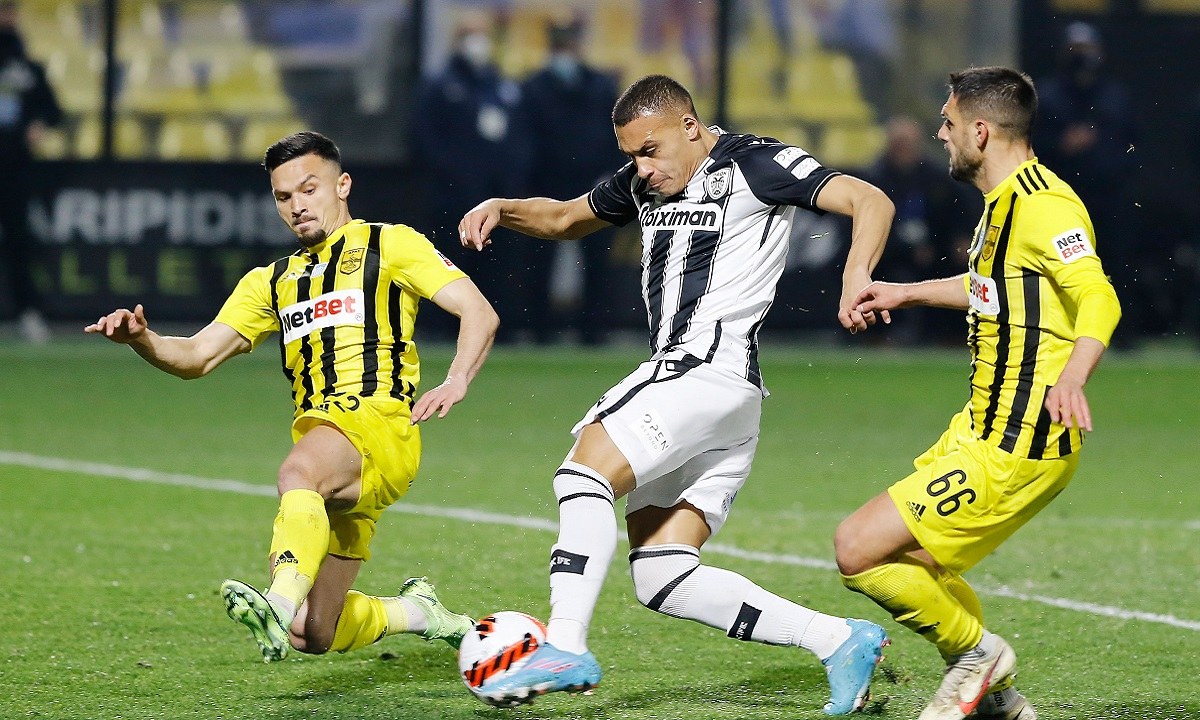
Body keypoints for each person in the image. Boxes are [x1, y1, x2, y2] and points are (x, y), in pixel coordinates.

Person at [459, 74, 895, 713]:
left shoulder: (756, 163)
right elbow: (565, 218)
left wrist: (856, 276)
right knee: (661, 572)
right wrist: (504, 207)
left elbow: (869, 199)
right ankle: (838, 640)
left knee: (583, 474)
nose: (642, 167)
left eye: (650, 150)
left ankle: (566, 645)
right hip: (722, 403)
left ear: (690, 127)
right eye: (631, 154)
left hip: (704, 370)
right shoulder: (646, 181)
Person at [85, 131, 500, 663]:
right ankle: (419, 614)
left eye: (309, 189)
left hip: (380, 423)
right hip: (336, 444)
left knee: (297, 473)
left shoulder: (389, 244)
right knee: (316, 632)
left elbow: (478, 311)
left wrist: (457, 378)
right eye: (283, 196)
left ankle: (277, 605)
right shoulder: (271, 281)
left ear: (342, 185)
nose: (297, 205)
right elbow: (196, 357)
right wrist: (142, 340)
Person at [834, 67, 1121, 720]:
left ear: (981, 131)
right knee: (914, 560)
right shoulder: (1004, 201)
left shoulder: (1045, 206)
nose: (941, 134)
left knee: (858, 547)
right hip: (982, 426)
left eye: (949, 122)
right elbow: (993, 288)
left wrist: (1073, 376)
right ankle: (996, 698)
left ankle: (977, 659)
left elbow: (1098, 294)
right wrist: (906, 292)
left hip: (1021, 438)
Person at [408, 10, 530, 341]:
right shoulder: (439, 86)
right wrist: (460, 177)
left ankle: (498, 332)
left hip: (497, 202)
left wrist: (509, 180)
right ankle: (446, 332)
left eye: (483, 34)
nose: (478, 43)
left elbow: (522, 140)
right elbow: (424, 141)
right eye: (470, 34)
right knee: (451, 267)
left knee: (496, 268)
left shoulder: (503, 86)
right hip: (453, 199)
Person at [516, 15, 623, 344]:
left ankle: (594, 332)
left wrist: (613, 176)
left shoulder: (600, 86)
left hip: (594, 186)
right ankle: (539, 331)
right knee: (539, 261)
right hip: (547, 185)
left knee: (597, 263)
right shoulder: (534, 87)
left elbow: (617, 134)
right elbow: (524, 141)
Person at [1036, 22, 1137, 345]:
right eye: (1075, 50)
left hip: (1108, 194)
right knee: (1059, 261)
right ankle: (1058, 329)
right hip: (1063, 194)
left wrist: (1111, 159)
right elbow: (1032, 142)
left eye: (1087, 50)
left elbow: (1132, 142)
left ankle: (1119, 331)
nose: (1082, 57)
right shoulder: (1046, 95)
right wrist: (1061, 144)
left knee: (1114, 260)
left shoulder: (1115, 95)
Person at [862, 116, 977, 345]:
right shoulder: (874, 178)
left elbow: (960, 212)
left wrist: (961, 239)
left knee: (957, 265)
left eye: (909, 143)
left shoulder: (938, 178)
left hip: (936, 250)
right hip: (890, 252)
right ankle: (884, 336)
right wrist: (907, 249)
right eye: (899, 143)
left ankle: (948, 337)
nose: (904, 149)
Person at [0, 0, 62, 343]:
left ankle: (27, 312)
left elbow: (53, 110)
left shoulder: (25, 65)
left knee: (19, 242)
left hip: (14, 169)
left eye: (9, 10)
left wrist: (39, 123)